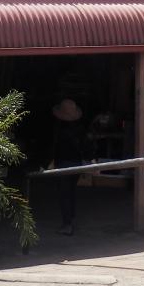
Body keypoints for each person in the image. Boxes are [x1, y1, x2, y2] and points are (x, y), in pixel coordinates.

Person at [51, 98, 85, 235]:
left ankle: (67, 223)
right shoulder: (80, 129)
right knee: (71, 192)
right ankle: (71, 218)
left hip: (64, 164)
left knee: (64, 194)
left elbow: (54, 148)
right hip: (77, 163)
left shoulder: (60, 131)